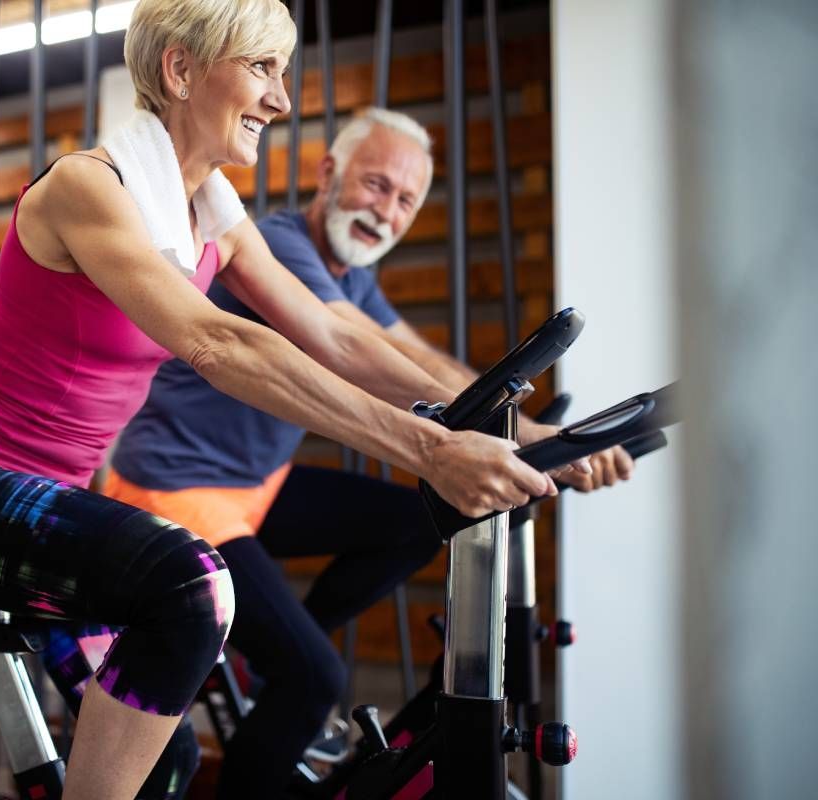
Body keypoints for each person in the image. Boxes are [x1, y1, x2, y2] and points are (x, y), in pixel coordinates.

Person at [0, 2, 557, 798]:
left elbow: (333, 333)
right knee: (193, 587)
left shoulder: (210, 211)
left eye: (281, 73)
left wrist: (509, 417)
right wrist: (432, 450)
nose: (282, 100)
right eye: (262, 69)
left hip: (49, 499)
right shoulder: (89, 188)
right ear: (181, 69)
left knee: (167, 758)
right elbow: (217, 341)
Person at [101, 107, 633, 796]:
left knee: (418, 518)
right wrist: (532, 440)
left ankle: (255, 660)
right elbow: (352, 346)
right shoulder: (285, 245)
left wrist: (524, 424)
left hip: (257, 485)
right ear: (329, 174)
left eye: (406, 200)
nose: (387, 212)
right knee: (314, 677)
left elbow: (413, 351)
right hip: (175, 492)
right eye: (376, 185)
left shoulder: (351, 271)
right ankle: (276, 675)